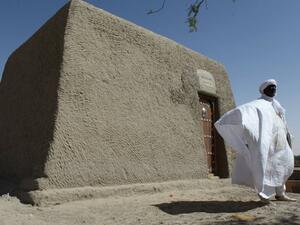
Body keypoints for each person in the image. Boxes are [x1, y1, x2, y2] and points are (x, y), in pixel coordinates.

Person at [214, 79, 296, 203]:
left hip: (280, 144)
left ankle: (280, 193)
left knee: (282, 167)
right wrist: (232, 117)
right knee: (265, 168)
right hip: (267, 144)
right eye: (271, 88)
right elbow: (245, 110)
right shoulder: (259, 104)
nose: (274, 90)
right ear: (264, 90)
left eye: (275, 88)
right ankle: (263, 195)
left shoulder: (277, 106)